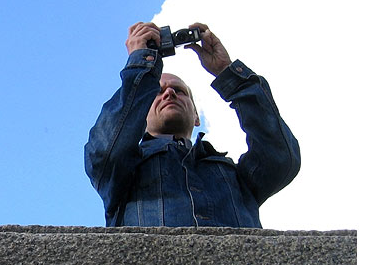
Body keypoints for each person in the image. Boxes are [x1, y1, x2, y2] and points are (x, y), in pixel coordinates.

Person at [84, 21, 300, 228]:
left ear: (196, 116)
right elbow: (105, 151)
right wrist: (142, 62)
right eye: (157, 93)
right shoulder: (123, 169)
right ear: (141, 115)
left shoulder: (233, 175)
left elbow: (280, 158)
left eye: (179, 91)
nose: (168, 93)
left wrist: (228, 73)